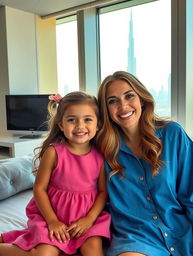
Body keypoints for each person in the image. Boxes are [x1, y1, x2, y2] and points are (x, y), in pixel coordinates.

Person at [96, 71, 193, 256]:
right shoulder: (102, 149)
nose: (123, 106)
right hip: (138, 238)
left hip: (190, 228)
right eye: (112, 101)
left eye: (129, 96)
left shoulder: (172, 134)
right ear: (106, 109)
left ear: (142, 99)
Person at [0, 91, 111, 256]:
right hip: (52, 216)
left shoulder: (101, 155)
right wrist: (52, 221)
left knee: (93, 251)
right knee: (44, 254)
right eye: (71, 120)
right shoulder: (54, 152)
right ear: (61, 124)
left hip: (87, 218)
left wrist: (89, 219)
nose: (80, 126)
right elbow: (39, 189)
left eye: (87, 119)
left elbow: (103, 192)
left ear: (98, 124)